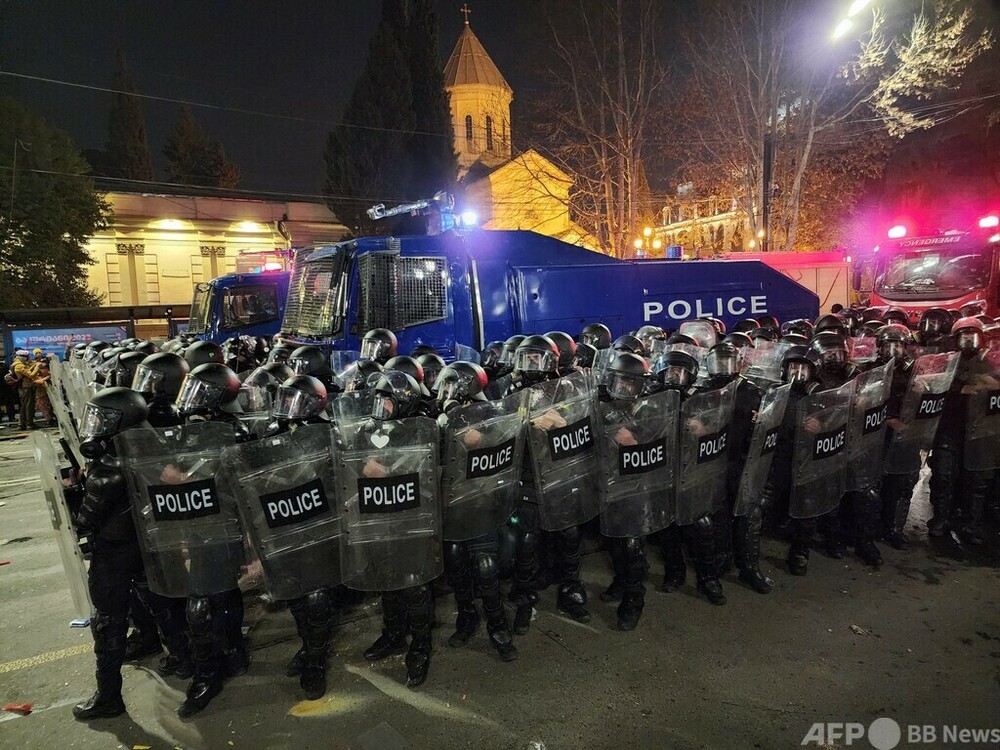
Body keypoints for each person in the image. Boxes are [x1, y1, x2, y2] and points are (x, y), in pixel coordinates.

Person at [71, 388, 155, 719]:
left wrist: (76, 492)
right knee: (157, 602)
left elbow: (85, 521)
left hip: (113, 551)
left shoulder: (107, 474)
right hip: (145, 543)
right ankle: (173, 654)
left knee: (107, 622)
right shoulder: (150, 455)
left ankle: (108, 696)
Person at [12, 349, 39, 430]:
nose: (28, 358)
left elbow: (27, 370)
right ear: (21, 357)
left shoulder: (19, 364)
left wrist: (34, 365)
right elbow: (31, 375)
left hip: (24, 388)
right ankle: (29, 424)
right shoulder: (19, 366)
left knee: (24, 406)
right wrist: (37, 367)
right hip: (25, 388)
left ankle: (22, 424)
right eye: (26, 357)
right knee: (29, 406)